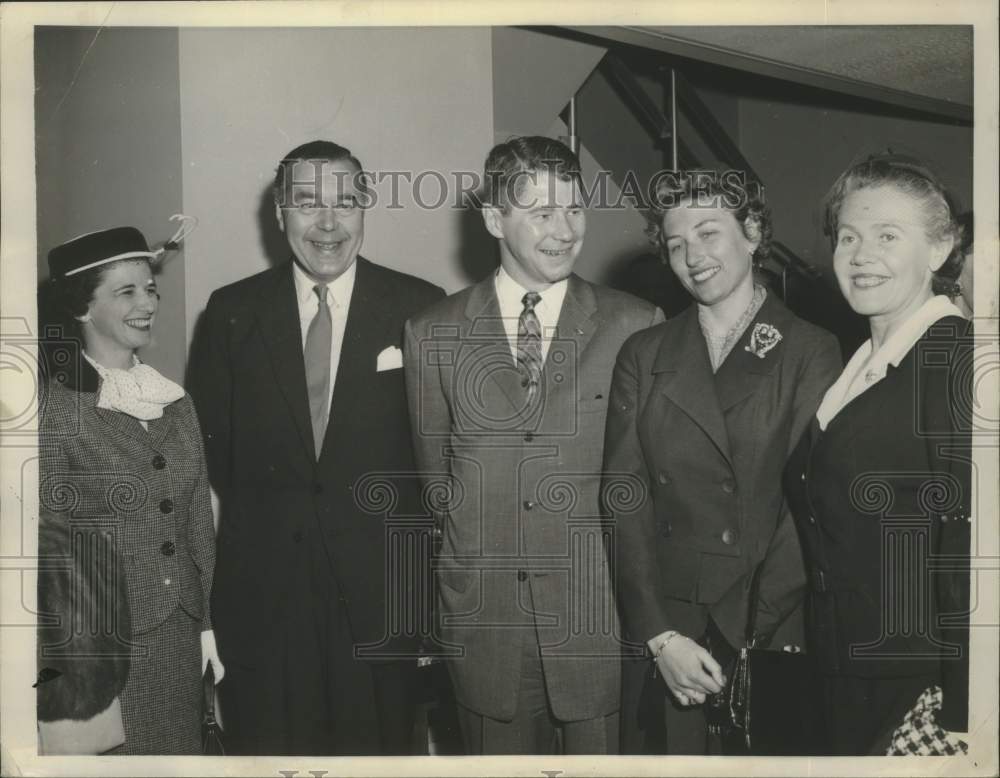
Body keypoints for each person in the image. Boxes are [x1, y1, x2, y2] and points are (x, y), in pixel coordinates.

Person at [404, 136, 664, 755]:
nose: (564, 230)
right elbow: (438, 487)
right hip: (485, 626)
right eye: (541, 213)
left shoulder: (636, 323)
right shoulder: (431, 332)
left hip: (595, 623)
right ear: (495, 218)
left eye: (574, 209)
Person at [187, 140, 445, 755]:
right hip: (264, 602)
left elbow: (443, 462)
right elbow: (208, 461)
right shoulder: (230, 312)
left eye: (345, 203)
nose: (327, 223)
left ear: (365, 209)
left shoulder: (422, 308)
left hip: (385, 603)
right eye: (307, 203)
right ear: (279, 213)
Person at [604, 172, 842, 754]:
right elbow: (623, 493)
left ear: (753, 232)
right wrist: (660, 635)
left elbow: (807, 505)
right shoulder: (645, 352)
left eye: (709, 232)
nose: (693, 256)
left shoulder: (811, 348)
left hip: (764, 621)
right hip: (670, 624)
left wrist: (740, 632)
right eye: (677, 243)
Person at [785, 153, 972, 755]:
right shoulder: (861, 364)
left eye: (888, 236)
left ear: (940, 249)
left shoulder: (957, 362)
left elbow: (972, 551)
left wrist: (964, 710)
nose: (861, 255)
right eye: (848, 237)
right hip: (848, 672)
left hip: (920, 690)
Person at [38, 224, 222, 754]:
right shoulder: (56, 413)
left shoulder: (176, 402)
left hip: (180, 636)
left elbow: (195, 527)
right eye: (126, 292)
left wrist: (207, 625)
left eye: (150, 289)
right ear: (81, 308)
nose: (147, 303)